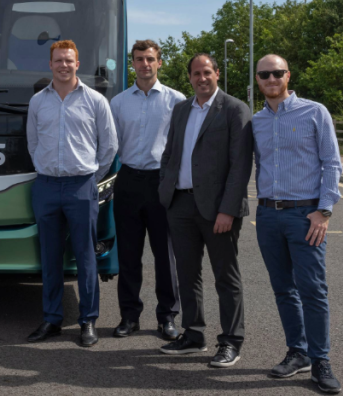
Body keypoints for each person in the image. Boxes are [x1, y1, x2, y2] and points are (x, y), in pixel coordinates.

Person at [252, 54, 343, 394]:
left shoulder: (314, 112)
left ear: (288, 75)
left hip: (305, 215)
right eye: (264, 74)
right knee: (283, 289)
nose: (271, 79)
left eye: (277, 73)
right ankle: (298, 351)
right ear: (258, 80)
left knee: (313, 289)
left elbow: (331, 163)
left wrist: (324, 210)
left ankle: (321, 360)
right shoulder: (257, 121)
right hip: (267, 215)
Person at [158, 53, 252, 367]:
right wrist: (165, 190)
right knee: (187, 274)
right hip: (180, 205)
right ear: (189, 78)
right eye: (196, 74)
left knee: (225, 277)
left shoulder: (235, 109)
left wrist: (228, 210)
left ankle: (230, 342)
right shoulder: (181, 109)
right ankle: (193, 334)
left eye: (207, 72)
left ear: (217, 74)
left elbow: (240, 166)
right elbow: (170, 153)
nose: (201, 78)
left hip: (218, 210)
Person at [26, 40, 118, 347]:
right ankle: (51, 320)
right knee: (49, 258)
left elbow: (109, 146)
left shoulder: (95, 101)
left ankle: (88, 321)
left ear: (77, 64)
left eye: (69, 60)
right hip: (47, 187)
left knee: (85, 258)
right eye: (58, 61)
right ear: (50, 65)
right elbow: (33, 143)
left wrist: (92, 176)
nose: (63, 65)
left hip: (81, 186)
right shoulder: (38, 102)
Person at [109, 40, 185, 341]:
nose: (145, 64)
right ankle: (129, 316)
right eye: (139, 59)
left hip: (161, 182)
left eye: (150, 59)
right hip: (127, 179)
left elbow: (182, 145)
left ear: (160, 62)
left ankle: (167, 317)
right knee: (128, 254)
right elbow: (110, 145)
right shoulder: (119, 102)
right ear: (133, 63)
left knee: (165, 255)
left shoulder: (177, 101)